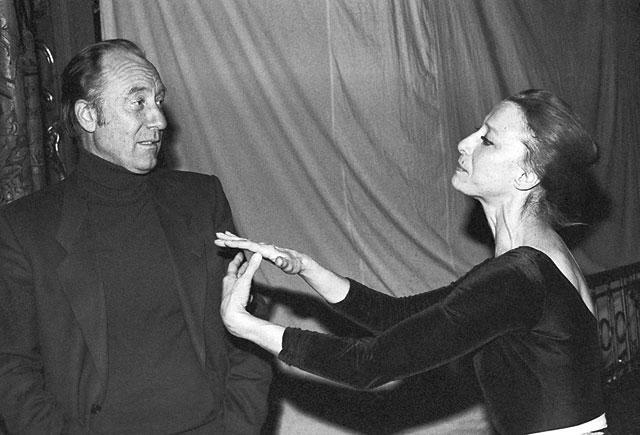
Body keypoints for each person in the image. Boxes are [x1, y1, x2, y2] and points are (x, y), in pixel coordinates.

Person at [215, 89, 608, 434]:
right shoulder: (532, 260)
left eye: (487, 140)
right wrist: (309, 269)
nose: (464, 144)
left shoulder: (519, 275)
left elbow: (368, 365)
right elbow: (400, 317)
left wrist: (243, 325)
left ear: (526, 176)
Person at [0, 39, 271, 434]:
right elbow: (12, 368)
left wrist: (237, 425)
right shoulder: (25, 228)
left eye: (158, 100)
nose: (159, 119)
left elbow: (248, 323)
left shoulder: (201, 200)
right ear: (88, 116)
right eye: (138, 102)